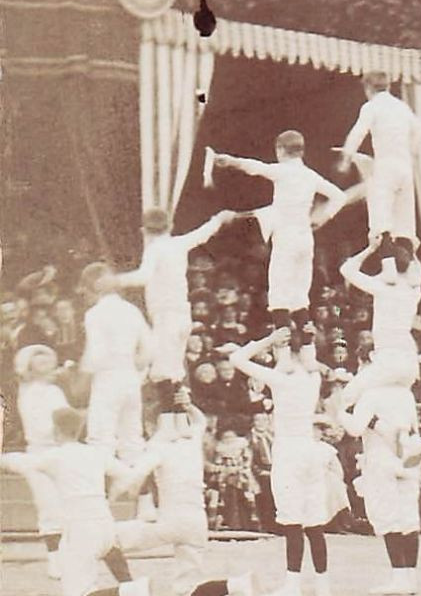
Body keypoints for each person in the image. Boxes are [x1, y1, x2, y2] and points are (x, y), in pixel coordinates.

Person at [0, 407, 158, 596]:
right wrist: (113, 493)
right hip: (105, 525)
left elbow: (20, 463)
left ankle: (133, 590)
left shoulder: (55, 456)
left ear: (56, 430)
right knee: (84, 591)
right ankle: (130, 595)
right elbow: (129, 475)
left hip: (81, 528)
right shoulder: (95, 453)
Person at [114, 395, 259, 596]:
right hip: (197, 522)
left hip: (171, 520)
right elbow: (200, 422)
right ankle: (238, 584)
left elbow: (135, 475)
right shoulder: (191, 442)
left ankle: (128, 593)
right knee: (187, 595)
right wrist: (190, 406)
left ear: (152, 425)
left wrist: (116, 491)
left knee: (111, 539)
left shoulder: (158, 447)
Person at [230, 329, 344, 596]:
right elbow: (309, 360)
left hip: (289, 451)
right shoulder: (313, 377)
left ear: (285, 351)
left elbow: (237, 358)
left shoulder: (279, 379)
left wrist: (268, 339)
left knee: (292, 521)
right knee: (313, 521)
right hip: (309, 449)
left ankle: (292, 586)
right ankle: (322, 585)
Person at [207, 131, 347, 346]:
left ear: (280, 150)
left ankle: (284, 351)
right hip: (305, 236)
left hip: (287, 235)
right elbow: (340, 196)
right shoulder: (310, 175)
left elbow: (256, 167)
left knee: (280, 291)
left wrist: (230, 161)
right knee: (300, 293)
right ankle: (307, 348)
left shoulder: (284, 171)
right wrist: (323, 218)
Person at [112, 208, 237, 405]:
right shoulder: (179, 243)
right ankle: (178, 423)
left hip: (166, 315)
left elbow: (143, 276)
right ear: (169, 227)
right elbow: (204, 233)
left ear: (144, 231)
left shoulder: (154, 249)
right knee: (174, 370)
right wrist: (219, 217)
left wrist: (115, 281)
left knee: (163, 370)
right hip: (181, 315)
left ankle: (170, 424)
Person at [343, 381, 421, 595]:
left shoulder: (370, 393)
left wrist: (341, 412)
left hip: (381, 456)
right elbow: (414, 428)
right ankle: (411, 577)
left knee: (388, 516)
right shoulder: (405, 393)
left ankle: (399, 577)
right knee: (407, 517)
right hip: (407, 453)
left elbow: (355, 429)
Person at [337, 70, 421, 244]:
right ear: (388, 86)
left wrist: (346, 159)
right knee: (404, 227)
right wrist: (411, 152)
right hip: (405, 168)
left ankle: (388, 264)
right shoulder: (401, 106)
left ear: (368, 88)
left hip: (385, 166)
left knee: (380, 224)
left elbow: (357, 133)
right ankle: (404, 265)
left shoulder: (371, 107)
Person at [336, 236, 421, 409]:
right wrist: (414, 253)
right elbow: (415, 269)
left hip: (390, 357)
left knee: (347, 397)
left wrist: (371, 248)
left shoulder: (382, 286)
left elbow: (346, 269)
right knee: (391, 405)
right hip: (408, 358)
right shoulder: (414, 288)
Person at [78, 263, 152, 458]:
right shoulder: (131, 310)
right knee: (132, 437)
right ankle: (134, 486)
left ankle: (99, 486)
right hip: (130, 379)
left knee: (100, 437)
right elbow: (149, 348)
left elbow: (95, 354)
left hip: (107, 378)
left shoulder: (94, 314)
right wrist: (137, 370)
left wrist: (81, 380)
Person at [14, 344, 69, 578]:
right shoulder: (30, 393)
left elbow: (66, 420)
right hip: (40, 452)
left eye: (48, 362)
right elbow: (42, 427)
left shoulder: (55, 391)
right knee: (49, 507)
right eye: (40, 364)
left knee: (67, 505)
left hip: (61, 451)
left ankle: (69, 557)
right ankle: (55, 561)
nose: (48, 368)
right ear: (30, 369)